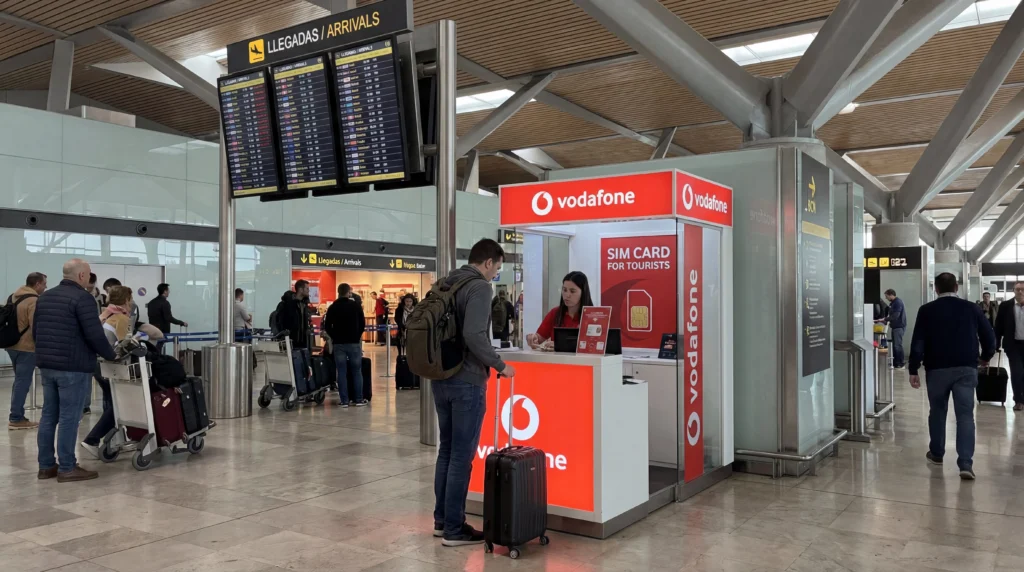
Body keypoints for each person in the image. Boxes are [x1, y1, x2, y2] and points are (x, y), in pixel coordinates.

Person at [432, 238, 516, 547]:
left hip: (440, 378)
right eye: (497, 267)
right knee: (461, 457)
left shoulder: (447, 282)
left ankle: (442, 521)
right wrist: (499, 364)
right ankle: (455, 529)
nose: (496, 273)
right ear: (489, 262)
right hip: (467, 380)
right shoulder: (480, 287)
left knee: (447, 451)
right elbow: (473, 334)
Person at [33, 259, 116, 482]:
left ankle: (46, 466)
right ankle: (68, 467)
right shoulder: (83, 298)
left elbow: (36, 330)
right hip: (73, 367)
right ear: (81, 276)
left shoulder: (45, 297)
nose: (90, 278)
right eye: (88, 274)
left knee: (49, 415)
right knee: (70, 417)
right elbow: (94, 334)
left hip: (48, 366)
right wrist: (111, 355)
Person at [909, 273, 995, 480]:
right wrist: (985, 357)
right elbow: (989, 336)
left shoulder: (927, 310)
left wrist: (913, 368)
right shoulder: (972, 308)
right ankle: (965, 463)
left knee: (937, 411)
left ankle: (937, 453)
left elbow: (918, 341)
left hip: (937, 369)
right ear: (956, 287)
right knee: (965, 415)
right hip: (966, 368)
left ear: (936, 289)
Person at [80, 286, 138, 459]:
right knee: (119, 405)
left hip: (97, 364)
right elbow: (122, 345)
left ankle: (111, 441)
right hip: (111, 366)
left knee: (110, 403)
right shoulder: (121, 318)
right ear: (127, 300)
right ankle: (93, 439)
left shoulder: (106, 314)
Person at [6, 272, 46, 430]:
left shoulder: (13, 297)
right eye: (44, 284)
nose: (45, 287)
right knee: (23, 382)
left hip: (11, 345)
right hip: (27, 347)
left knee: (19, 381)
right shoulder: (33, 300)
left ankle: (17, 414)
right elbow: (36, 325)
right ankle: (16, 418)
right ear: (37, 284)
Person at [323, 283, 367, 407]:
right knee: (356, 371)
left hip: (339, 344)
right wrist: (357, 335)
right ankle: (358, 399)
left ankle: (344, 400)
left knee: (341, 372)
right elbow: (362, 323)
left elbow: (327, 326)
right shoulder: (355, 306)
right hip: (353, 343)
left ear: (338, 292)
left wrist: (334, 336)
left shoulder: (333, 307)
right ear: (349, 292)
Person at [526, 271, 594, 350]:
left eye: (572, 291)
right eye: (564, 290)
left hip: (584, 362)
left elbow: (593, 346)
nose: (567, 295)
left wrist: (561, 346)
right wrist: (533, 338)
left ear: (583, 292)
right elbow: (539, 338)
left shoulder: (593, 316)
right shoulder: (555, 313)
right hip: (556, 361)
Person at [277, 280, 313, 394]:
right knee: (290, 366)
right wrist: (283, 334)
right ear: (300, 289)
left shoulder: (304, 304)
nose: (308, 291)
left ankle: (302, 388)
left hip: (303, 341)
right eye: (307, 289)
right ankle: (289, 389)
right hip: (290, 341)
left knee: (302, 365)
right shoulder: (287, 304)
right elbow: (279, 320)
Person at [995, 281, 1024, 411]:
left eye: (1023, 289)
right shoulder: (1006, 306)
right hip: (1013, 346)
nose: (1020, 292)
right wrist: (994, 344)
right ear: (1013, 291)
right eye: (1018, 289)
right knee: (1017, 372)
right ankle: (1018, 400)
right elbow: (998, 327)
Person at [883, 289, 907, 369]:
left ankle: (900, 363)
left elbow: (895, 316)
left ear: (891, 295)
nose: (886, 298)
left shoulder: (897, 302)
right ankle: (896, 362)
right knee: (895, 345)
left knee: (897, 345)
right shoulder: (893, 303)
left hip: (899, 327)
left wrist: (885, 319)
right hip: (895, 327)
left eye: (886, 296)